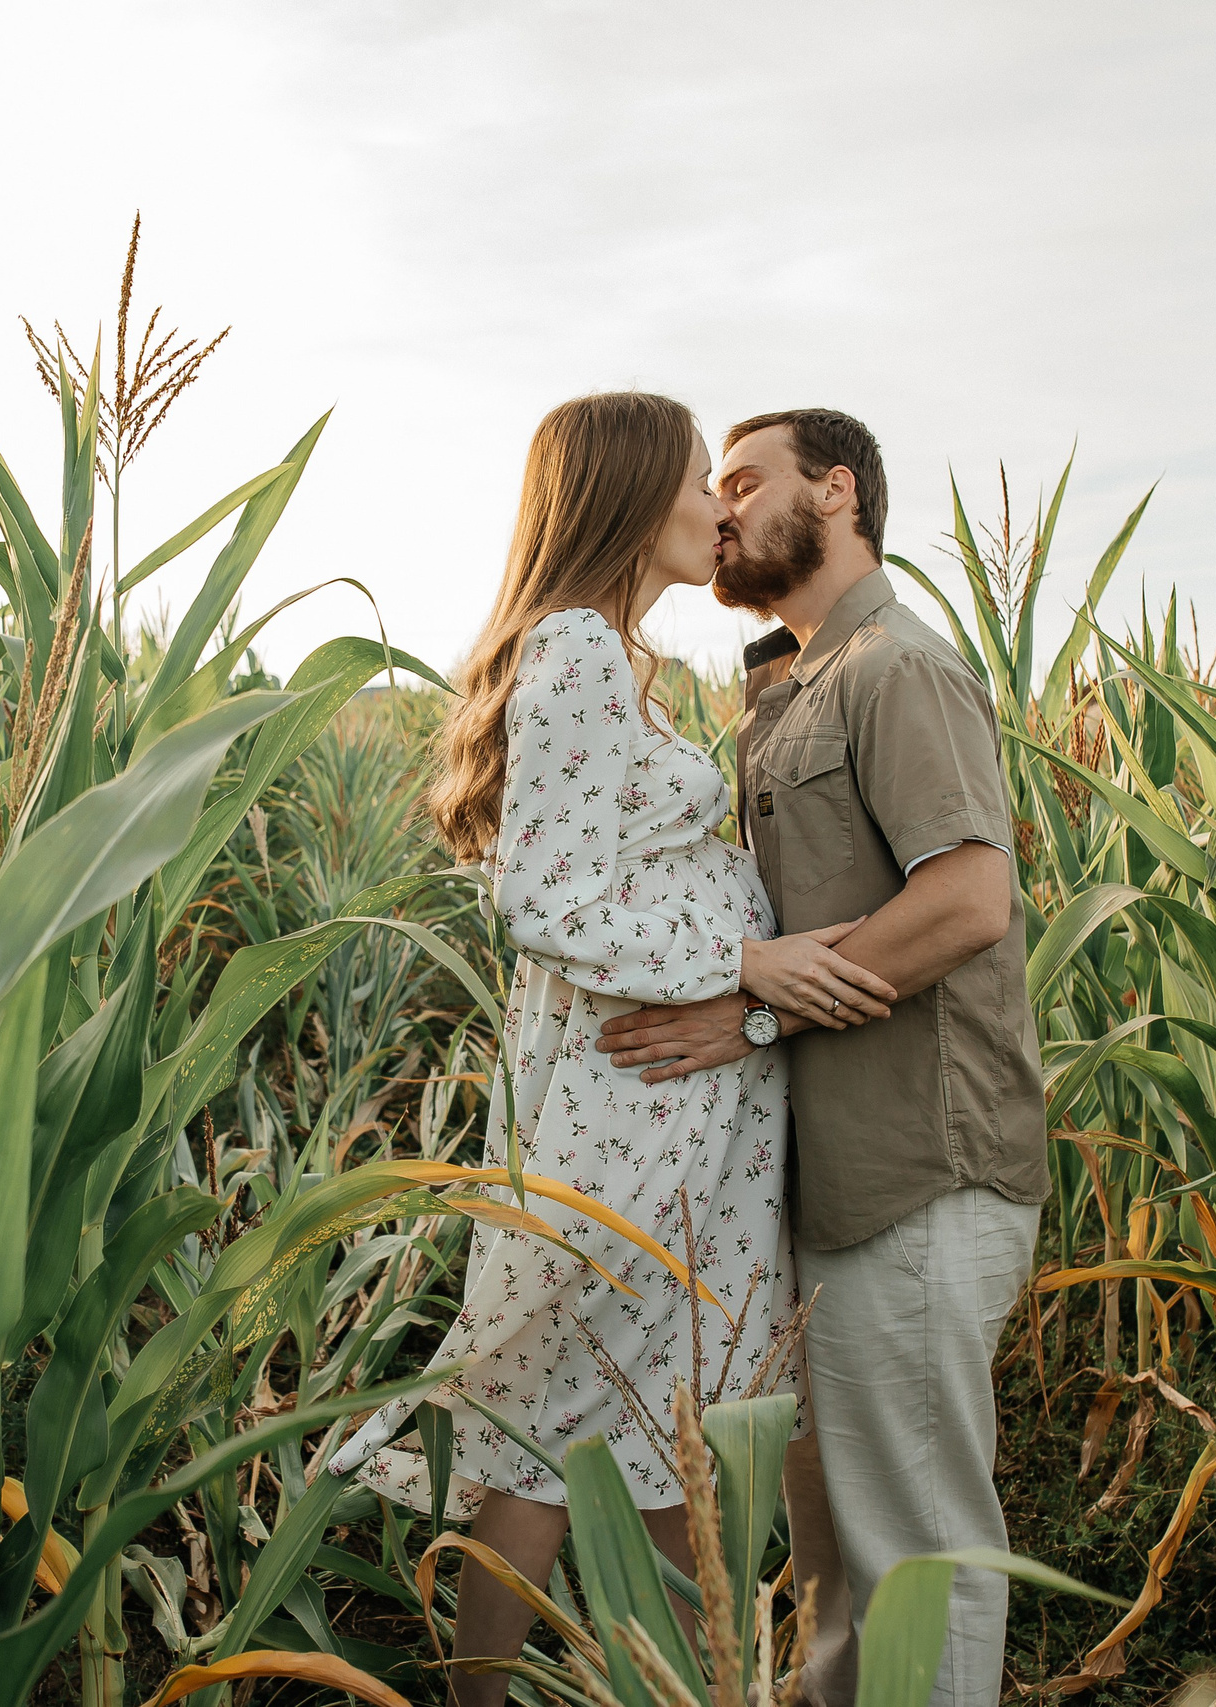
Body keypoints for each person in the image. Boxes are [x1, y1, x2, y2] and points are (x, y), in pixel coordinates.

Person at [322, 392, 897, 1707]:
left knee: (649, 1430)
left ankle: (660, 1689)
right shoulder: (577, 651)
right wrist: (745, 964)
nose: (720, 508)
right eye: (702, 482)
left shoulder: (613, 660)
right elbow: (545, 905)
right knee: (547, 1427)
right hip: (629, 1116)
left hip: (674, 1116)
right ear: (635, 499)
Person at [596, 408, 1048, 1707]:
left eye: (744, 481)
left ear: (837, 492)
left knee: (920, 1550)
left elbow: (968, 898)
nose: (718, 507)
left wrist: (753, 1014)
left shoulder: (893, 669)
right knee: (841, 1552)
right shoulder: (787, 687)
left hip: (917, 1172)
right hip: (830, 1189)